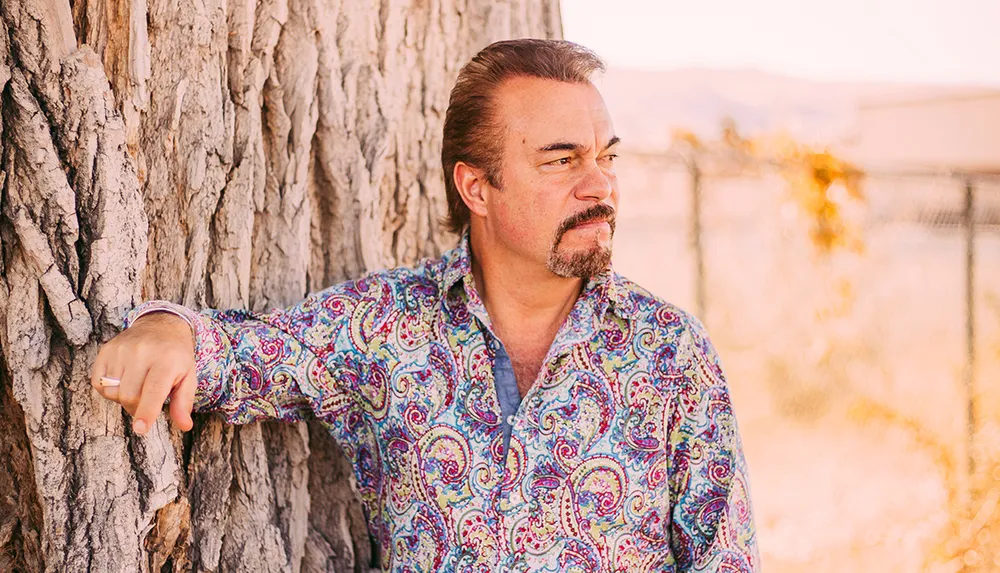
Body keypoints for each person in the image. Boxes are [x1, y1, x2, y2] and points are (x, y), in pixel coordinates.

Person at [91, 39, 759, 572]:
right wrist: (167, 327)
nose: (600, 185)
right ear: (476, 186)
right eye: (562, 161)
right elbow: (251, 352)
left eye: (606, 157)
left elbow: (724, 558)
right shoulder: (387, 325)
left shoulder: (671, 351)